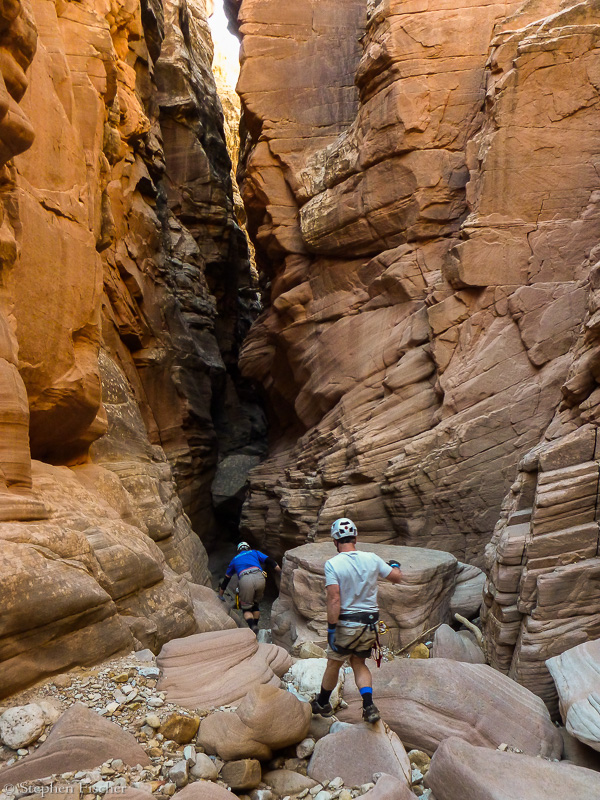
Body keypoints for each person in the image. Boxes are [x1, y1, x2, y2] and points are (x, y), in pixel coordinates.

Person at [311, 518, 402, 723]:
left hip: (347, 625)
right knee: (358, 663)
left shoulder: (333, 564)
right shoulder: (372, 558)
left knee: (334, 663)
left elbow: (334, 599)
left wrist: (331, 628)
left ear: (335, 541)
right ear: (355, 538)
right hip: (370, 625)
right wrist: (395, 565)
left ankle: (323, 703)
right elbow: (396, 577)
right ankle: (369, 706)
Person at [219, 542, 281, 633]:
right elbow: (270, 561)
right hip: (260, 577)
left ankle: (252, 626)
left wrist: (220, 595)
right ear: (248, 548)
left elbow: (226, 579)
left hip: (245, 579)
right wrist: (280, 572)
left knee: (246, 608)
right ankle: (256, 626)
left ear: (238, 551)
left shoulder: (235, 559)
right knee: (255, 604)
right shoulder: (254, 552)